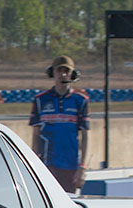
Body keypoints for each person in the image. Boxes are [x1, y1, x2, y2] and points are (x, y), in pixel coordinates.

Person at [29, 55, 90, 193]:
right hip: (46, 165)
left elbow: (85, 136)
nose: (63, 75)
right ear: (53, 72)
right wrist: (33, 164)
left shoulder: (80, 101)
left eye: (66, 71)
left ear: (73, 74)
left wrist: (82, 167)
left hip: (70, 165)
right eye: (59, 71)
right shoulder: (40, 100)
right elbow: (36, 135)